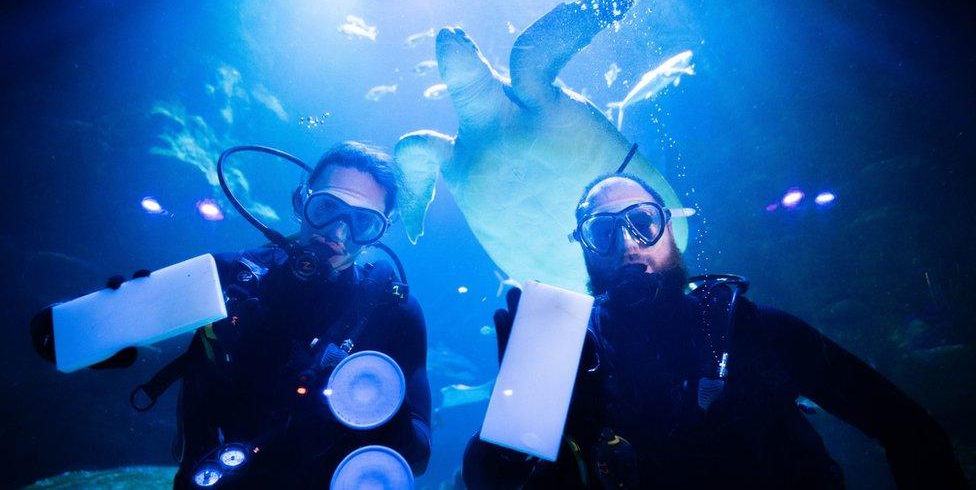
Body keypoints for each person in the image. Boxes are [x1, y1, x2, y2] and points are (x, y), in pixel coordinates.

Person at [462, 173, 965, 489]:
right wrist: (513, 418)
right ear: (584, 248)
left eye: (643, 221)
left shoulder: (757, 331)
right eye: (602, 231)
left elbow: (910, 429)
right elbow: (496, 479)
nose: (628, 244)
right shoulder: (560, 354)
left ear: (671, 230)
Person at [32, 141, 431, 488]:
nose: (338, 233)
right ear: (301, 201)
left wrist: (375, 400)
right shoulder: (224, 278)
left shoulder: (392, 315)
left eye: (362, 222)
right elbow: (52, 341)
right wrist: (109, 327)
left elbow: (418, 456)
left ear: (381, 231)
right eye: (327, 207)